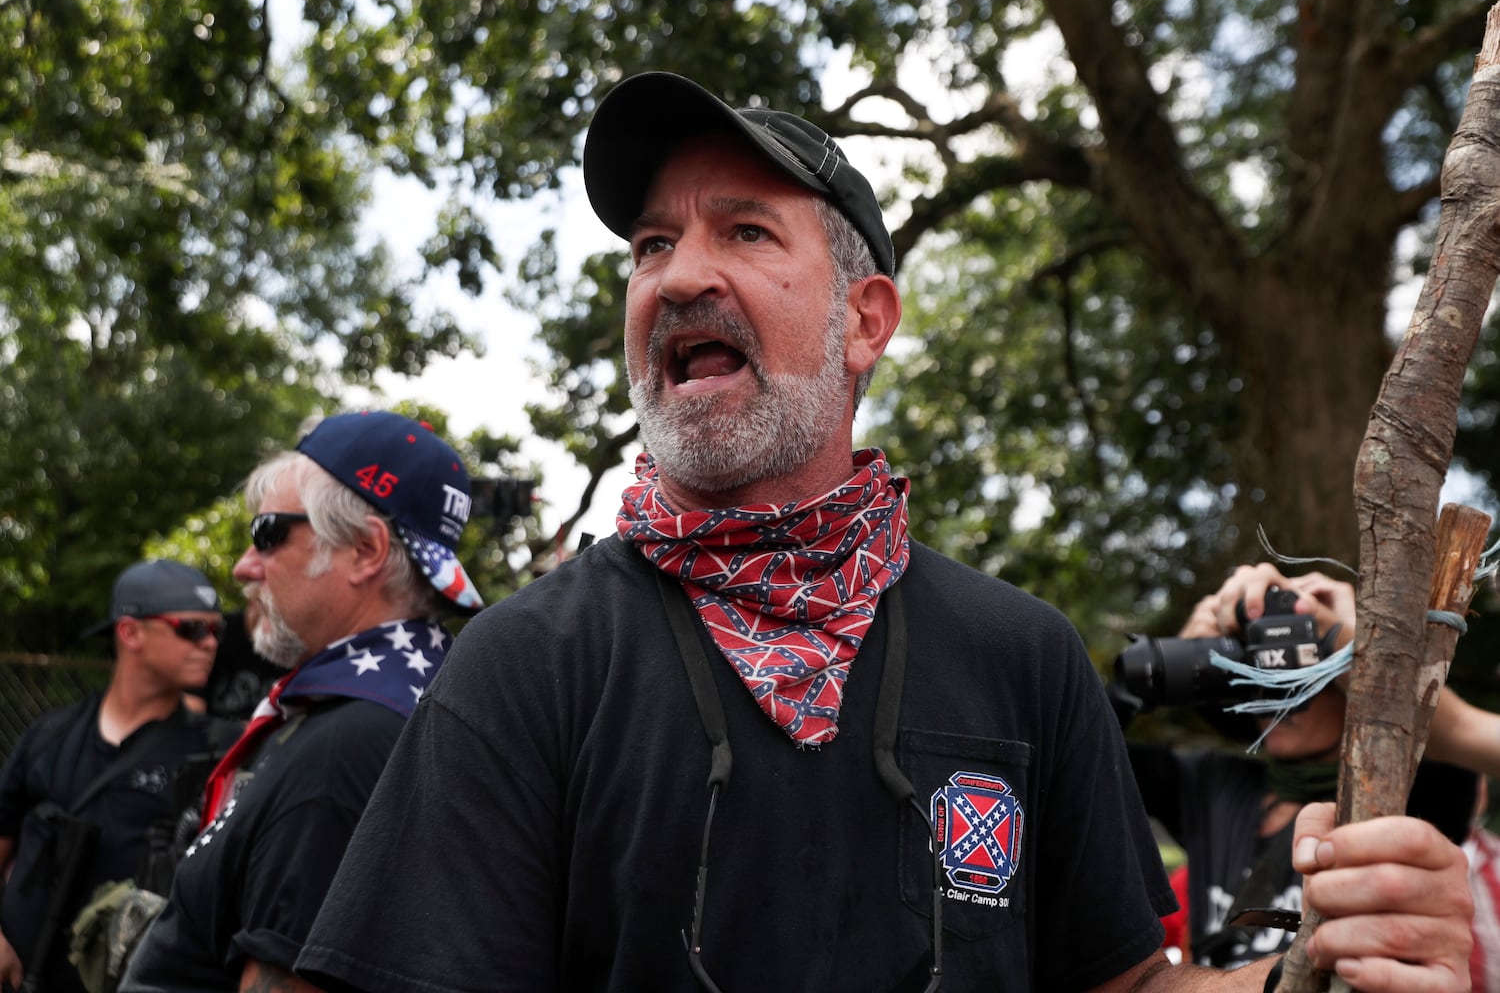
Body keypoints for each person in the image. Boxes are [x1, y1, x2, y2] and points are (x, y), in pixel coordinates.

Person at [296, 72, 1474, 992]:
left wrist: (1315, 961)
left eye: (745, 232)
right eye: (652, 245)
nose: (676, 276)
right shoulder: (527, 664)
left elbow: (1119, 982)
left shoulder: (1023, 657)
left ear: (866, 320)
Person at [118, 410, 484, 993]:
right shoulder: (422, 700)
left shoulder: (347, 746)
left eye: (267, 533)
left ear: (365, 550)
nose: (243, 566)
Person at [1121, 562, 1482, 970]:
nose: (1278, 698)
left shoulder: (1404, 793)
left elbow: (1455, 746)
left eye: (1303, 678)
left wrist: (1353, 640)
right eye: (1264, 675)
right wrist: (1175, 663)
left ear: (1349, 687)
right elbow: (1087, 757)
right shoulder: (1211, 784)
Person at [0, 560, 234, 993]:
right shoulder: (49, 736)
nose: (210, 643)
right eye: (191, 628)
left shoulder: (218, 753)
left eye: (217, 630)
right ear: (130, 633)